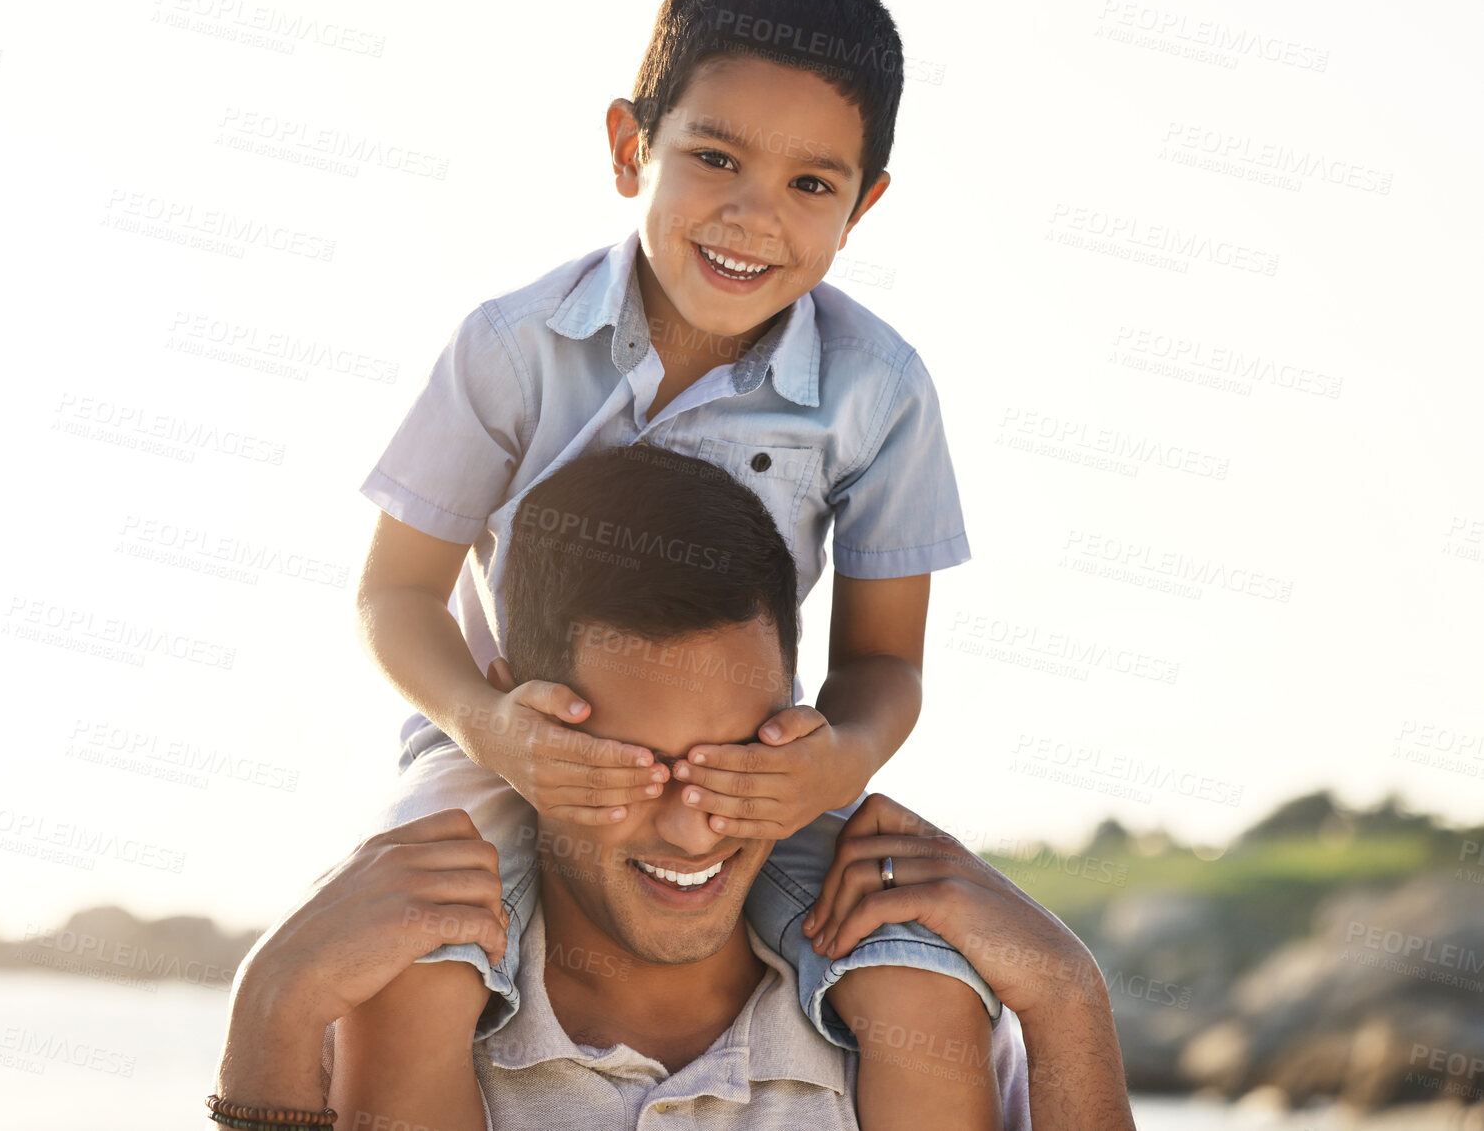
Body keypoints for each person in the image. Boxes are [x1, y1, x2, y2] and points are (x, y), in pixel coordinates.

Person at [350, 0, 1002, 1118]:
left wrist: (829, 767)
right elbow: (395, 595)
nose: (755, 215)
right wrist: (493, 728)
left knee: (919, 979)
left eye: (811, 184)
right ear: (628, 146)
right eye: (715, 160)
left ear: (865, 207)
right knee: (403, 964)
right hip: (506, 740)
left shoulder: (879, 391)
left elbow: (885, 668)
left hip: (749, 765)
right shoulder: (513, 348)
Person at [212, 451, 1135, 1127]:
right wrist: (268, 1009)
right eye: (631, 766)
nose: (695, 827)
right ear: (514, 730)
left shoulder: (916, 1017)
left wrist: (1066, 994)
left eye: (735, 758)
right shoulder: (397, 1012)